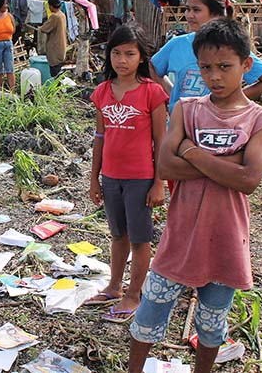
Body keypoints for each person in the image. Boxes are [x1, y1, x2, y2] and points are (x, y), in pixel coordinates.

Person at [128, 18, 262, 373]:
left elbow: (248, 179)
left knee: (211, 326)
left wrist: (192, 152)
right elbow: (165, 165)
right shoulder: (188, 109)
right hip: (180, 236)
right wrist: (225, 163)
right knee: (149, 314)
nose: (214, 76)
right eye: (206, 67)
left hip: (225, 240)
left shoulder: (260, 119)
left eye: (225, 67)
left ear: (246, 65)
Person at [87, 24, 168, 323]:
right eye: (116, 53)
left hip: (140, 178)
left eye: (129, 54)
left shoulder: (152, 93)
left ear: (141, 58)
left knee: (139, 238)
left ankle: (134, 293)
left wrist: (159, 182)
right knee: (117, 234)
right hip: (111, 177)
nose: (122, 60)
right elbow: (100, 137)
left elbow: (161, 141)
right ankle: (113, 285)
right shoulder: (102, 92)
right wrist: (94, 178)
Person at [150, 0, 262, 113]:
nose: (189, 15)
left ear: (216, 14)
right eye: (187, 9)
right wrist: (172, 93)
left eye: (196, 10)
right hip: (179, 126)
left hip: (217, 127)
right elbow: (152, 67)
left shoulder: (230, 47)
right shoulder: (177, 44)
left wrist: (229, 101)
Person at [39, 0, 68, 78]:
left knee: (55, 74)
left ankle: (58, 90)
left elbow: (44, 29)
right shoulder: (62, 15)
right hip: (61, 48)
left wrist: (41, 27)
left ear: (51, 6)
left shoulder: (54, 17)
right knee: (59, 72)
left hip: (55, 49)